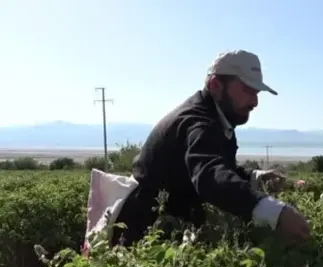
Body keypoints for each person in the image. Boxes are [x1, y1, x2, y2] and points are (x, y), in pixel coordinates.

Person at [110, 50, 311, 247]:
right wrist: (274, 212)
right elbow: (209, 175)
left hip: (162, 231)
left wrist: (254, 177)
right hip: (143, 237)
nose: (255, 102)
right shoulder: (198, 122)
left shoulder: (215, 116)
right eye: (247, 90)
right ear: (216, 85)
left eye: (256, 92)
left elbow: (216, 165)